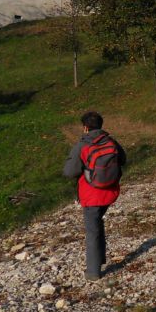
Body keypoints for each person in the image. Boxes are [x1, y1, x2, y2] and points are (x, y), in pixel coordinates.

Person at [63, 111, 126, 281]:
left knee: (92, 230)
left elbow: (69, 172)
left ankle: (93, 272)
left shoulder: (82, 145)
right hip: (110, 191)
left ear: (85, 127)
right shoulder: (110, 141)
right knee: (97, 224)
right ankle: (100, 259)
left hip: (91, 194)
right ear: (100, 125)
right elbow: (123, 159)